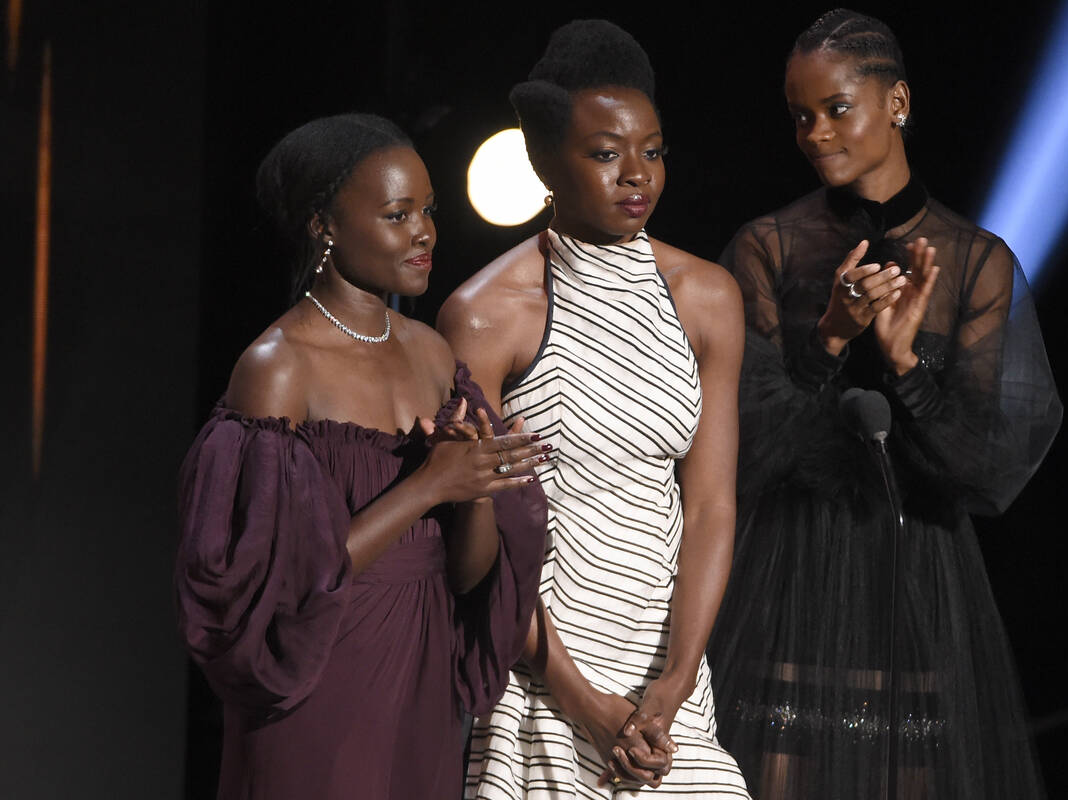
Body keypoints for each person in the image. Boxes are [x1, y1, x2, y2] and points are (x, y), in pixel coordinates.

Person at [706, 8, 1063, 799]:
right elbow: (741, 447)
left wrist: (906, 364)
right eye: (801, 115)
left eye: (838, 108)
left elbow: (988, 469)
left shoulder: (976, 261)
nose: (816, 133)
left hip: (919, 578)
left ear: (897, 102)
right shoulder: (768, 245)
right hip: (788, 570)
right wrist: (829, 339)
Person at [175, 113, 549, 800]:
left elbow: (466, 578)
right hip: (318, 688)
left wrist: (475, 490)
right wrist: (427, 487)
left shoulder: (433, 353)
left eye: (428, 210)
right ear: (325, 225)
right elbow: (273, 589)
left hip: (424, 683)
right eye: (396, 214)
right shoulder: (278, 367)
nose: (425, 233)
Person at [437, 20, 750, 799]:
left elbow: (710, 505)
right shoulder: (486, 314)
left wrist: (672, 688)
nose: (636, 175)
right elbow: (480, 537)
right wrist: (582, 702)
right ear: (544, 162)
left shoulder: (706, 299)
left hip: (664, 683)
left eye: (652, 150)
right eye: (606, 155)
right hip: (542, 678)